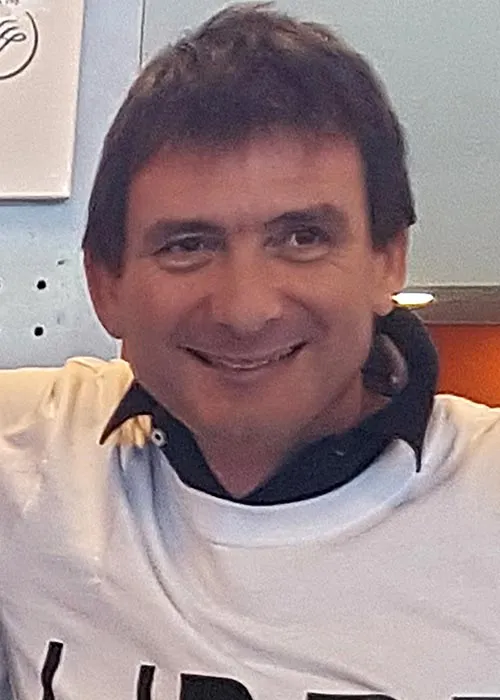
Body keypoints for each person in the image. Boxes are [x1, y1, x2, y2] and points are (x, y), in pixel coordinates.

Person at [1, 4, 499, 699]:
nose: (245, 310)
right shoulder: (28, 457)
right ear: (105, 284)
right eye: (188, 245)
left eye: (302, 238)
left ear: (388, 259)